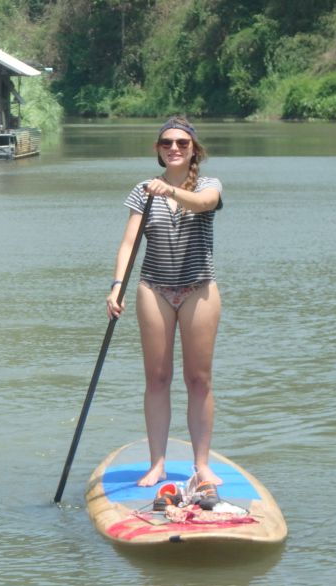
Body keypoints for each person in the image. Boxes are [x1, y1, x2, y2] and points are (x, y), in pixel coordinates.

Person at [106, 116, 224, 488]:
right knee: (157, 378)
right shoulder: (143, 190)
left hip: (198, 288)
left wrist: (170, 192)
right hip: (154, 287)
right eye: (166, 143)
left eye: (182, 143)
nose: (174, 148)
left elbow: (204, 204)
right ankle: (156, 464)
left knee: (198, 379)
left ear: (194, 151)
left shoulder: (208, 184)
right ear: (158, 150)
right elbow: (128, 244)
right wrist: (116, 286)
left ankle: (201, 465)